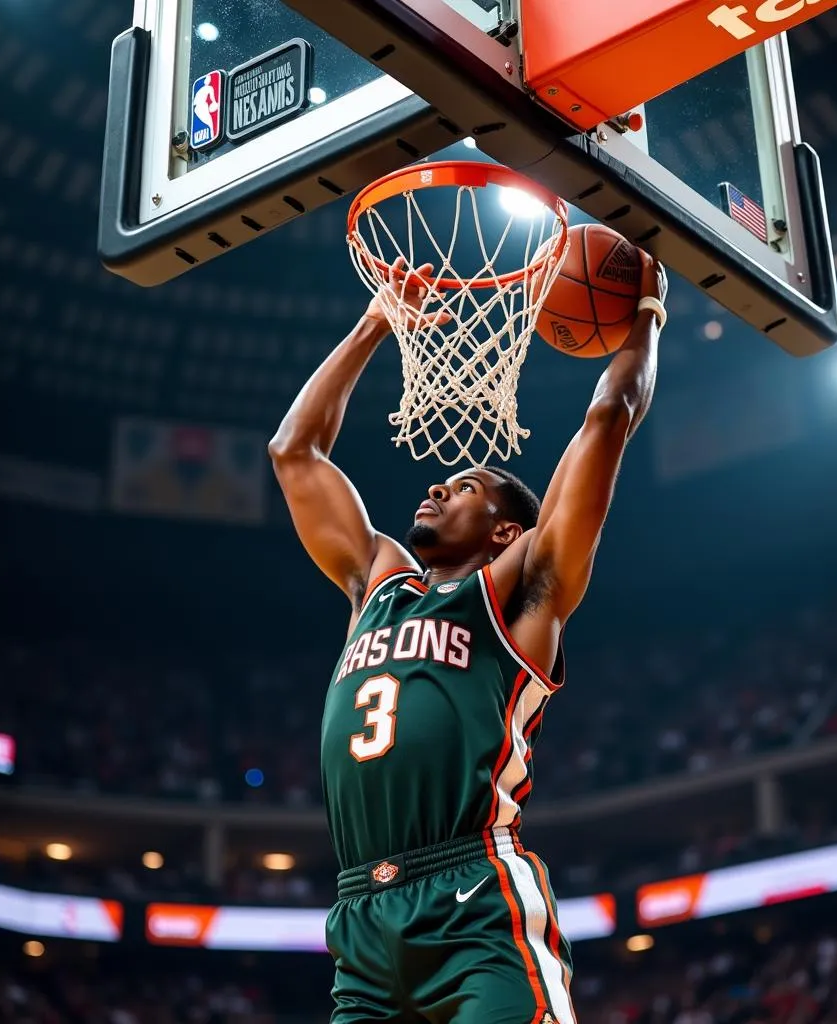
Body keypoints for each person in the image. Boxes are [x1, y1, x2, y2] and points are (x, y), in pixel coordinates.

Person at [269, 250, 668, 1024]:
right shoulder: (377, 585)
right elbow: (295, 453)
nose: (438, 485)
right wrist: (375, 323)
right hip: (359, 915)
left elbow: (607, 421)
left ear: (505, 530)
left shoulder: (525, 597)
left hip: (475, 902)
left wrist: (645, 322)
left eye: (467, 486)